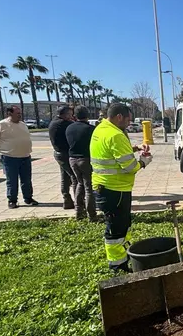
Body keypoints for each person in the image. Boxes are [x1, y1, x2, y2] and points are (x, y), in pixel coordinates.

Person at [91, 104, 152, 272]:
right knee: (116, 229)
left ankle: (125, 255)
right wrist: (144, 161)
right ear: (119, 117)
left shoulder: (101, 129)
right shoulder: (116, 135)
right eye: (128, 120)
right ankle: (118, 265)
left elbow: (112, 152)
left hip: (105, 187)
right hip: (115, 190)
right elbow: (130, 166)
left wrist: (136, 147)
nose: (129, 123)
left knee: (121, 225)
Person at [0, 106, 39, 209]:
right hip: (10, 158)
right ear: (9, 114)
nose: (20, 115)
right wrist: (4, 149)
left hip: (25, 156)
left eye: (20, 113)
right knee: (12, 180)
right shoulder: (0, 125)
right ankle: (12, 200)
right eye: (17, 113)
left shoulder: (23, 125)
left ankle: (28, 198)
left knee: (27, 180)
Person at [66, 106, 97, 221]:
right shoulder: (90, 129)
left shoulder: (69, 128)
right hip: (86, 159)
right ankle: (92, 215)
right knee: (88, 187)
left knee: (79, 184)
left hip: (72, 159)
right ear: (87, 115)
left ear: (75, 115)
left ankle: (79, 212)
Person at [48, 106, 78, 209]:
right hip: (64, 154)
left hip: (59, 153)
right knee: (75, 177)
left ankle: (67, 200)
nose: (71, 116)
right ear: (63, 114)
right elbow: (76, 126)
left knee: (65, 177)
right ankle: (78, 201)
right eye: (69, 114)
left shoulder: (54, 122)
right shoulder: (62, 123)